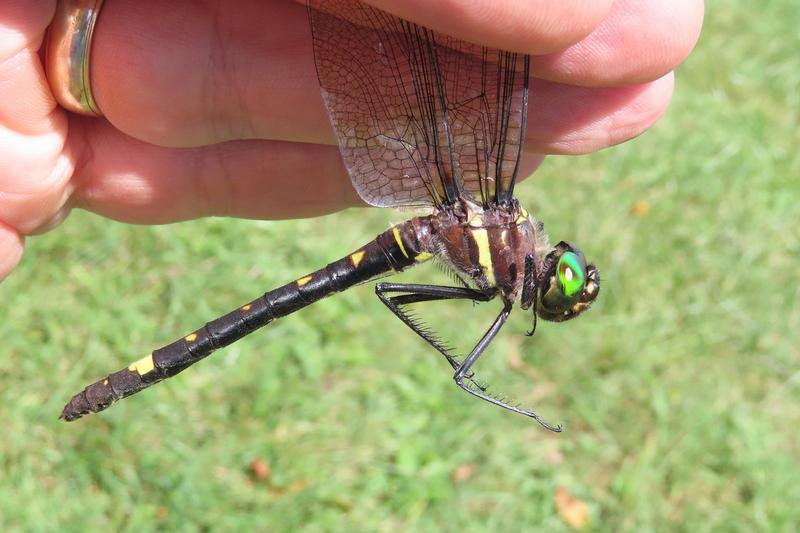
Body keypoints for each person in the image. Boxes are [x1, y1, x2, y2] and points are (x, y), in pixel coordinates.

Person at [0, 0, 704, 282]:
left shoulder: (490, 205)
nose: (552, 269)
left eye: (556, 280)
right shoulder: (496, 217)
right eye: (561, 274)